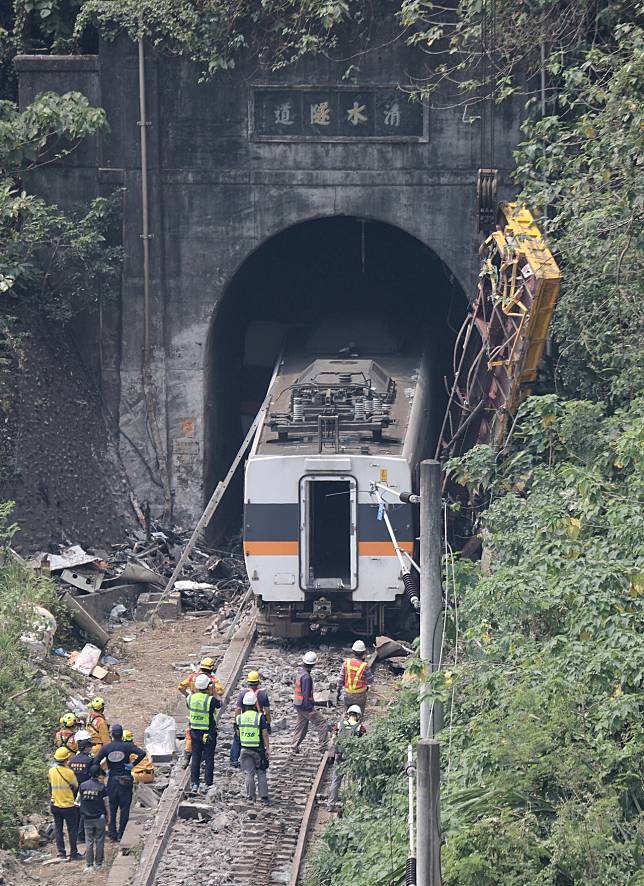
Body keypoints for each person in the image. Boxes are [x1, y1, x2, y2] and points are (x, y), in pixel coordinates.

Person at [93, 723, 146, 843]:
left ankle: (112, 834)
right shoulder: (127, 746)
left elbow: (95, 762)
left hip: (112, 780)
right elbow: (142, 753)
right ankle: (122, 833)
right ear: (122, 734)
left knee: (112, 807)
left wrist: (103, 772)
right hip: (125, 779)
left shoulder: (106, 748)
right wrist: (132, 765)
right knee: (124, 808)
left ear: (111, 735)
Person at [178, 657, 224, 765]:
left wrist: (188, 696)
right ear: (211, 668)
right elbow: (220, 691)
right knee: (209, 731)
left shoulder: (192, 677)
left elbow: (181, 687)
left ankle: (188, 754)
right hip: (208, 707)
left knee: (191, 730)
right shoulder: (212, 680)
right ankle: (205, 753)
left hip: (194, 706)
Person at [327, 704, 367, 810]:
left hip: (339, 756)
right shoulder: (360, 727)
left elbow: (333, 738)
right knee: (352, 780)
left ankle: (331, 805)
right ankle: (350, 805)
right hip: (352, 758)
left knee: (336, 781)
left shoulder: (340, 724)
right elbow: (363, 743)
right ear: (358, 715)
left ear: (348, 714)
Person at [235, 691, 270, 804]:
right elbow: (264, 734)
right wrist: (267, 749)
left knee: (249, 773)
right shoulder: (260, 717)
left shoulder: (239, 718)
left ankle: (251, 797)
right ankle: (264, 797)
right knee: (261, 772)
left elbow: (238, 733)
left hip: (245, 748)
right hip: (258, 749)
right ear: (255, 704)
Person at [231, 669, 271, 768]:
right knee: (260, 739)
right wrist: (268, 723)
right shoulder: (263, 694)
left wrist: (236, 723)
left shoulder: (242, 694)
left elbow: (238, 709)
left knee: (237, 739)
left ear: (248, 682)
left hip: (244, 720)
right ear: (258, 682)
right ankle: (260, 759)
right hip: (258, 720)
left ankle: (234, 759)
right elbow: (267, 711)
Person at [187, 673, 220, 792]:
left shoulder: (190, 698)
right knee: (209, 757)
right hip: (208, 732)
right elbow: (219, 704)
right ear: (208, 686)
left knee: (196, 756)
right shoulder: (210, 700)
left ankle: (194, 783)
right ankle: (208, 783)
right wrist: (214, 691)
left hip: (195, 731)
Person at [48, 746, 81, 861]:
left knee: (58, 829)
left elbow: (50, 787)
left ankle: (61, 852)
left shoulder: (51, 771)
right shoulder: (69, 773)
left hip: (55, 805)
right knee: (72, 829)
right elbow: (76, 786)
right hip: (68, 806)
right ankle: (73, 853)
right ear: (67, 759)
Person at [292, 651, 328, 754]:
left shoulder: (301, 673)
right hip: (304, 706)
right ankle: (323, 746)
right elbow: (305, 695)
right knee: (322, 722)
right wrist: (311, 710)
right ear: (313, 664)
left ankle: (294, 746)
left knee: (301, 726)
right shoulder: (307, 677)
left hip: (298, 704)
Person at [78, 764, 107, 872]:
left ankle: (89, 865)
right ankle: (99, 864)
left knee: (89, 841)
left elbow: (80, 800)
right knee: (99, 840)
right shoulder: (101, 787)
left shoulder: (83, 786)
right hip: (99, 817)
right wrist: (108, 817)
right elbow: (106, 803)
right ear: (99, 774)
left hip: (86, 818)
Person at [68, 730, 94, 843]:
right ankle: (82, 834)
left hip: (73, 789)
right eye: (90, 746)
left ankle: (76, 834)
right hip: (85, 789)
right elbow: (94, 774)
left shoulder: (71, 760)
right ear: (86, 748)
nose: (91, 748)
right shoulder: (90, 760)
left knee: (75, 812)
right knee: (85, 812)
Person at [336, 640, 374, 713]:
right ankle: (359, 722)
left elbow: (340, 679)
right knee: (359, 714)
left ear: (353, 652)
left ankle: (345, 721)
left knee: (346, 713)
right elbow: (370, 680)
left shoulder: (346, 663)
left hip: (348, 695)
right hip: (360, 696)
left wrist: (338, 691)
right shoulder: (364, 666)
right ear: (363, 653)